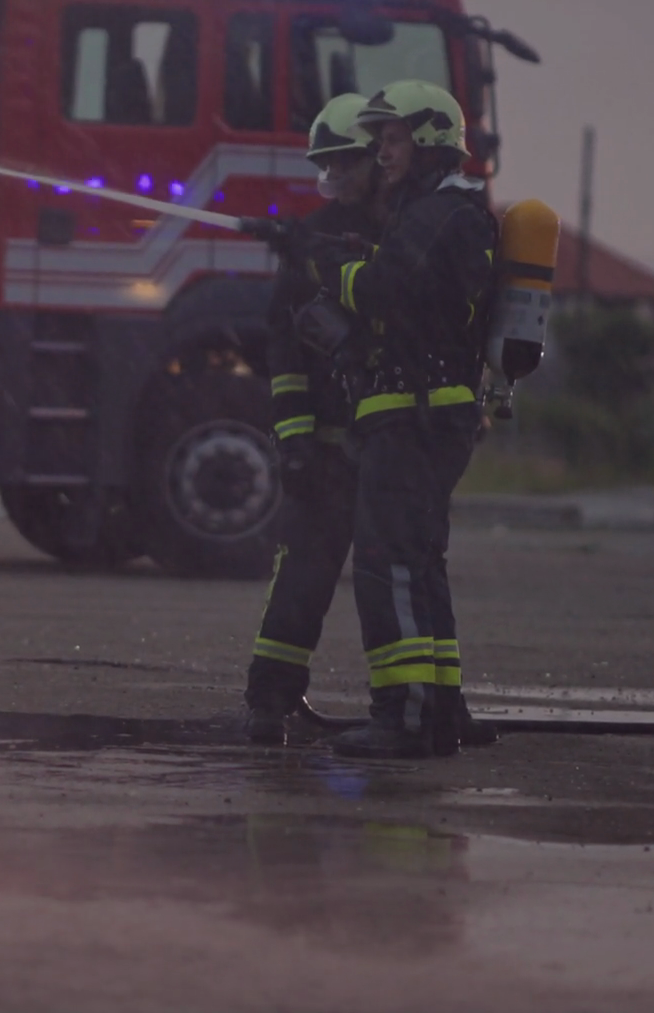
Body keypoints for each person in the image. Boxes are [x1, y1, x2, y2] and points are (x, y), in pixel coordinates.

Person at [314, 80, 499, 759]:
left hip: (412, 416)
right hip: (429, 413)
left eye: (392, 139)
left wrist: (326, 265)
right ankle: (442, 709)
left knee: (387, 563)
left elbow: (380, 289)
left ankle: (403, 717)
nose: (382, 152)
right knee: (419, 563)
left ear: (427, 138)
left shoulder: (437, 214)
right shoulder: (443, 211)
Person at [242, 93, 382, 746]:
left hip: (392, 444)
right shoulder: (307, 238)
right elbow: (284, 347)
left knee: (390, 582)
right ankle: (269, 701)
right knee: (300, 578)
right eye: (328, 164)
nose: (338, 176)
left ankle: (407, 707)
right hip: (327, 447)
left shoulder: (410, 232)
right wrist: (294, 441)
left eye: (349, 161)